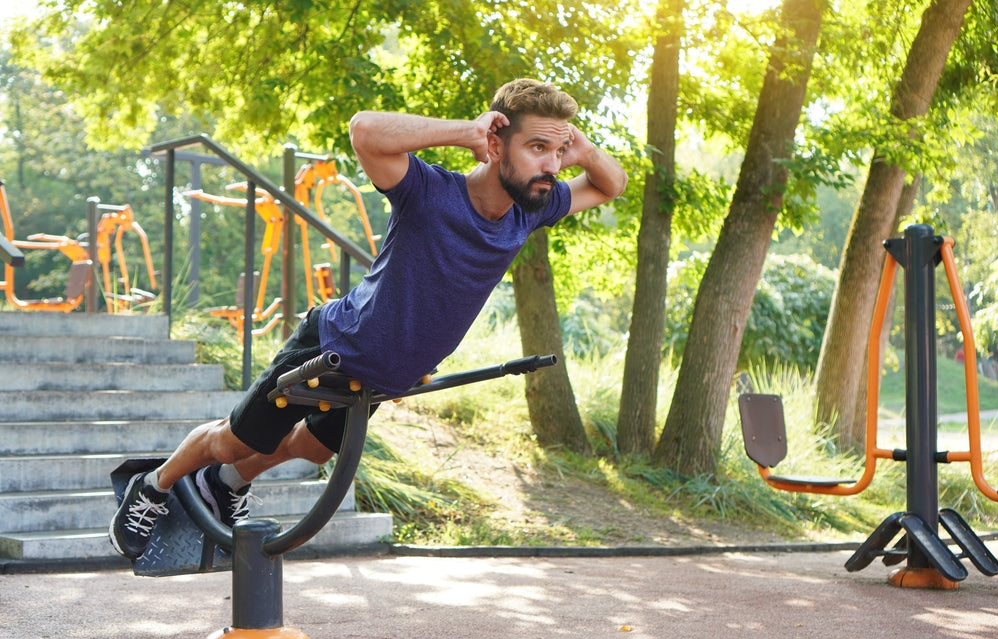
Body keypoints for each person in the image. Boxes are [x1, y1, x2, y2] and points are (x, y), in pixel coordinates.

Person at [109, 77, 628, 560]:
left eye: (559, 152)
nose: (554, 166)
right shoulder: (430, 192)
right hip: (334, 344)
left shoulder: (533, 206)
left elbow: (612, 185)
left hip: (384, 374)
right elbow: (365, 132)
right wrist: (463, 131)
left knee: (310, 449)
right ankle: (153, 486)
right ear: (495, 144)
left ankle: (226, 484)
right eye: (538, 148)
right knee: (233, 441)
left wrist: (579, 148)